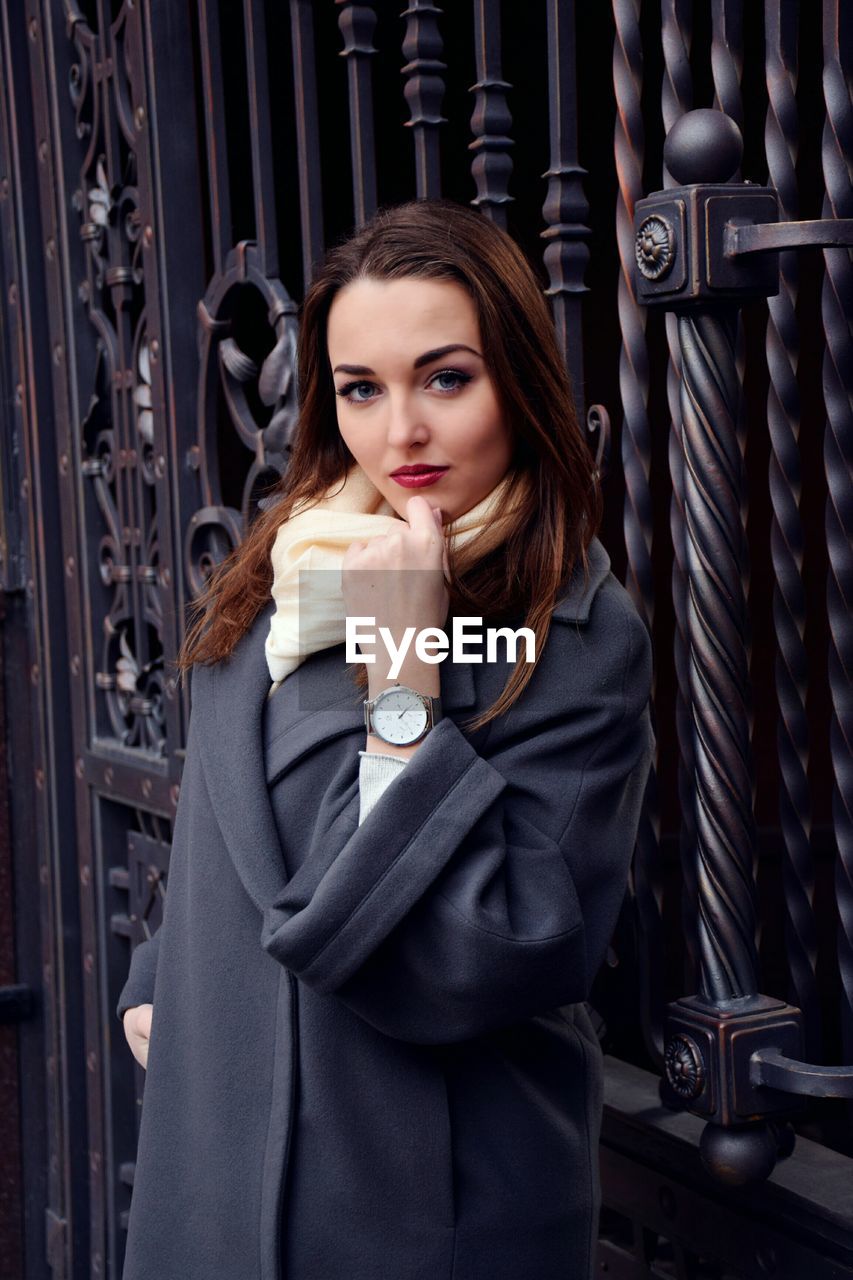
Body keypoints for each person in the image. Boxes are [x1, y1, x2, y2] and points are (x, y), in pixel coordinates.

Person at [117, 198, 654, 1280]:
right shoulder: (295, 567)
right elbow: (231, 812)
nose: (399, 429)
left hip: (427, 1211)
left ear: (517, 381)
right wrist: (158, 978)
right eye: (362, 387)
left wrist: (401, 671)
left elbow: (481, 948)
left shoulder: (580, 633)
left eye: (444, 377)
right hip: (217, 1163)